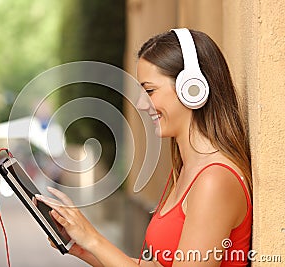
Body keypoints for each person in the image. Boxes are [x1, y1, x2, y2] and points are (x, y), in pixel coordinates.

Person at [36, 28, 252, 266]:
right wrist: (84, 249)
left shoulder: (215, 181)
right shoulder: (186, 170)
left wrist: (94, 239)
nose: (141, 103)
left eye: (149, 90)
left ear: (193, 89)